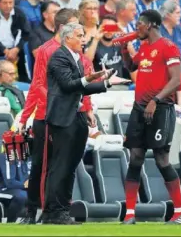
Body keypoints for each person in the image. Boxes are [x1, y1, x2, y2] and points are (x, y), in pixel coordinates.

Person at [17, 8, 91, 224]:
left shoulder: (80, 56)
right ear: (62, 29)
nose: (80, 32)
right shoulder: (46, 51)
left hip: (73, 116)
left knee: (67, 165)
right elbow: (37, 85)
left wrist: (87, 108)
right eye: (75, 27)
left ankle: (59, 210)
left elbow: (84, 84)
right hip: (48, 116)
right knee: (42, 165)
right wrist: (25, 117)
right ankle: (32, 211)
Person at [43, 22, 117, 224]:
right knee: (60, 166)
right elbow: (68, 85)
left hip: (77, 116)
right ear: (67, 38)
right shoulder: (59, 56)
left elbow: (81, 89)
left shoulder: (75, 58)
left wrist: (106, 83)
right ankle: (52, 212)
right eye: (80, 36)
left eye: (84, 35)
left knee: (71, 166)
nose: (84, 40)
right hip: (62, 118)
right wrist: (89, 79)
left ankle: (63, 210)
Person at [122, 9, 181, 225]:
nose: (136, 27)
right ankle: (130, 214)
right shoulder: (144, 47)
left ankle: (180, 212)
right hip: (139, 109)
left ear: (150, 24)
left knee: (161, 160)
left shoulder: (168, 47)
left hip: (161, 109)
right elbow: (132, 66)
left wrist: (156, 100)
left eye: (139, 24)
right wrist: (124, 49)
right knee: (135, 159)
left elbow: (176, 79)